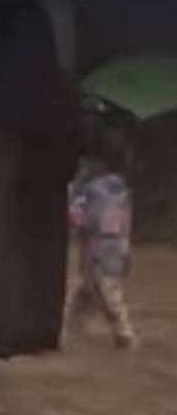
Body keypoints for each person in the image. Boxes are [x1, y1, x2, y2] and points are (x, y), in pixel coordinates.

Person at [0, 2, 78, 357]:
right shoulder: (59, 83)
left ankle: (0, 331)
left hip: (2, 186)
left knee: (0, 248)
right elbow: (76, 138)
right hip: (48, 188)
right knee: (46, 254)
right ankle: (42, 331)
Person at [66, 132, 137, 349]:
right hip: (116, 245)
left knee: (105, 288)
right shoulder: (120, 188)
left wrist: (72, 210)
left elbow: (84, 218)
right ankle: (73, 330)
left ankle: (124, 333)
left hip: (99, 246)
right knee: (89, 288)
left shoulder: (94, 190)